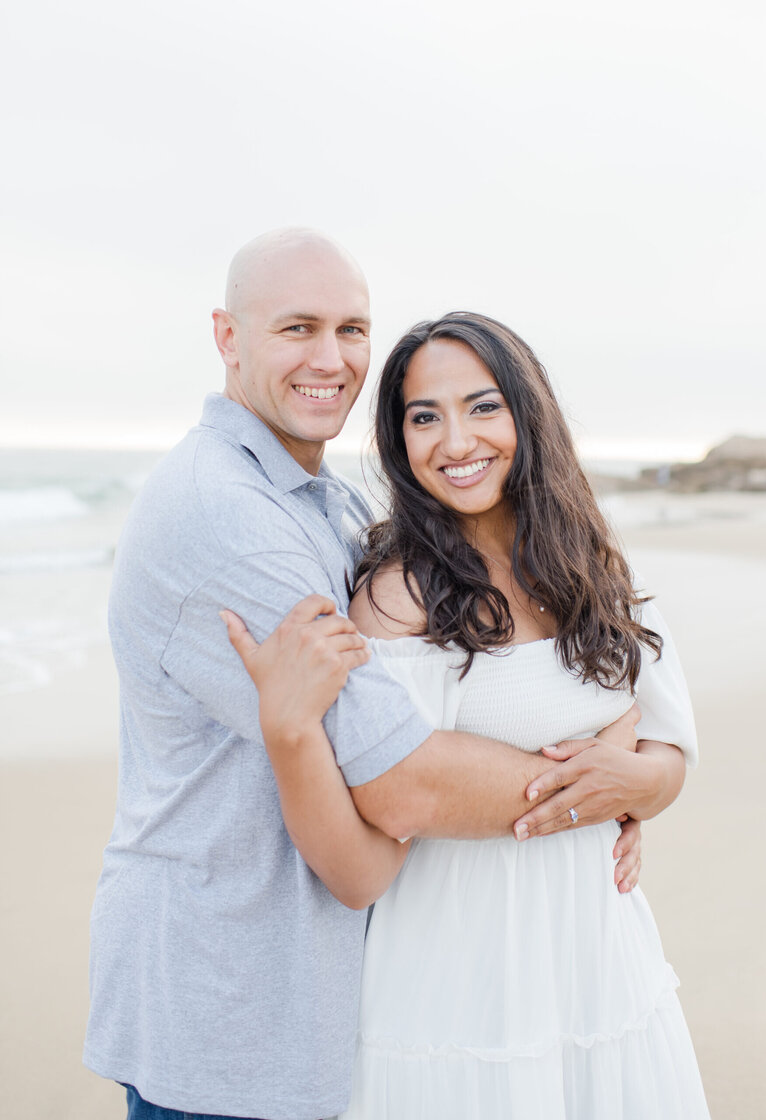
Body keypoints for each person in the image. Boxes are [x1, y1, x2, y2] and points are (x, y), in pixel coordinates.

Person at [84, 228, 663, 1120]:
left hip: (312, 996)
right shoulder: (226, 517)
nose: (332, 358)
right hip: (234, 1013)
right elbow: (404, 782)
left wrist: (636, 780)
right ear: (228, 338)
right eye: (297, 328)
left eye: (352, 329)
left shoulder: (326, 500)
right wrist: (603, 787)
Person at [225, 311, 709, 1117]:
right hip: (460, 970)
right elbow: (392, 796)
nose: (456, 441)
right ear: (397, 439)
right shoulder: (401, 594)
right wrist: (593, 787)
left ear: (528, 413)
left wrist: (639, 783)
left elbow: (667, 745)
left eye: (483, 407)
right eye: (425, 417)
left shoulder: (587, 566)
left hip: (599, 955)